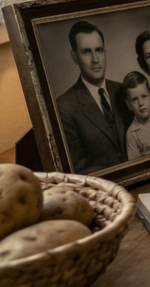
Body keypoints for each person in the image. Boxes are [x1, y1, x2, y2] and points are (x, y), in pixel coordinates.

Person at [55, 21, 132, 173]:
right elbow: (78, 171)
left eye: (99, 50)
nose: (95, 59)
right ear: (74, 57)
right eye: (86, 52)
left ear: (105, 52)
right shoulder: (64, 107)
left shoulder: (123, 90)